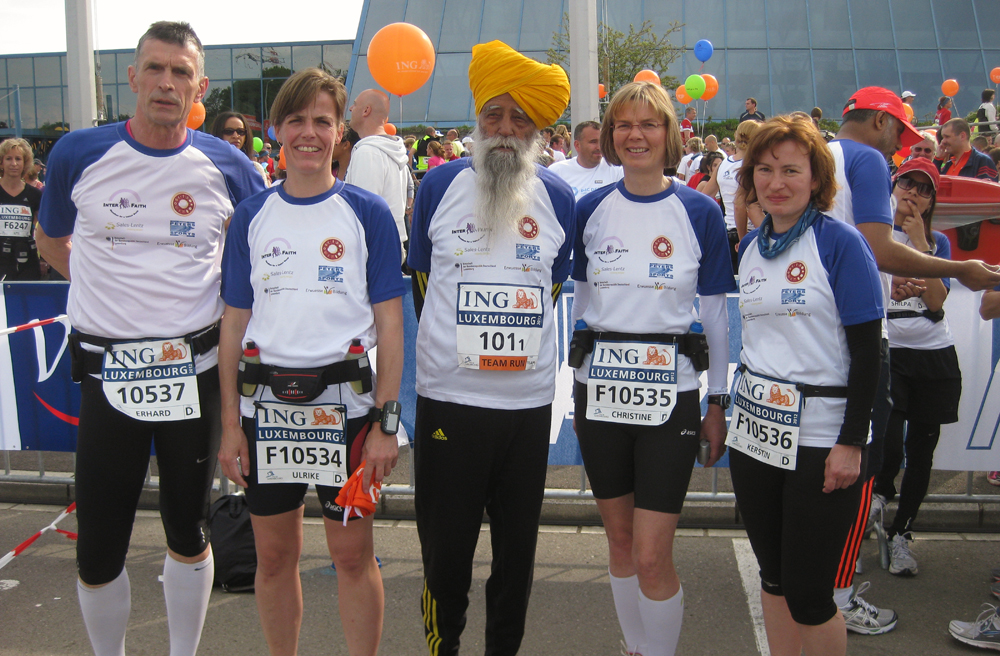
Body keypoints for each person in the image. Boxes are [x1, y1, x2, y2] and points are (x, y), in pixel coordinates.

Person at [34, 21, 265, 656]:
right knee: (99, 544)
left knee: (188, 532)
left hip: (192, 377)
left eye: (181, 72)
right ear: (132, 78)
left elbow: (257, 261)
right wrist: (107, 293)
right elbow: (51, 240)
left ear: (200, 87)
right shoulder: (77, 153)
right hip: (111, 377)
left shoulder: (229, 165)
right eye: (155, 69)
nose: (167, 82)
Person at [217, 67, 405, 656]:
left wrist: (386, 424)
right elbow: (232, 326)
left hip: (347, 412)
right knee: (274, 557)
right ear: (276, 130)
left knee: (352, 557)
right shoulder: (251, 215)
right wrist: (229, 426)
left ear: (339, 130)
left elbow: (391, 327)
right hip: (266, 409)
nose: (308, 133)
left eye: (321, 121)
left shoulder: (366, 213)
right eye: (295, 120)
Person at [407, 39, 574, 656]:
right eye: (493, 116)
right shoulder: (438, 186)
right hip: (450, 403)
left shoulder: (559, 199)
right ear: (477, 120)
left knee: (517, 556)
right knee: (443, 553)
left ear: (537, 130)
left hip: (526, 408)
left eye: (519, 118)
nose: (505, 130)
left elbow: (552, 287)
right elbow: (424, 288)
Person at [828, 86, 1000, 635]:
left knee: (830, 468)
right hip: (857, 340)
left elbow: (856, 253)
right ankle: (840, 592)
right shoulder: (865, 160)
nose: (897, 149)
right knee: (860, 468)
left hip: (810, 334)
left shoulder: (813, 157)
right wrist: (959, 269)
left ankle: (808, 583)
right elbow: (877, 247)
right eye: (897, 135)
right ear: (879, 121)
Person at [572, 81, 735, 656]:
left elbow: (715, 319)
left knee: (650, 553)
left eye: (649, 124)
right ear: (611, 136)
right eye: (623, 125)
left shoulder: (698, 210)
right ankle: (636, 647)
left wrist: (718, 401)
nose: (635, 135)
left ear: (669, 134)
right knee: (618, 540)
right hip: (600, 393)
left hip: (674, 396)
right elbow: (584, 305)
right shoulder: (589, 208)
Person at [728, 115, 884, 656]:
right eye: (765, 170)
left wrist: (852, 442)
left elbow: (870, 353)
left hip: (821, 440)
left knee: (811, 593)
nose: (776, 182)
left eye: (791, 170)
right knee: (772, 578)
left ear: (816, 179)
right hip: (755, 436)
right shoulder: (750, 248)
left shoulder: (840, 243)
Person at [871, 158, 961, 577]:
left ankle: (903, 534)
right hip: (889, 354)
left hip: (933, 355)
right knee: (887, 445)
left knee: (921, 450)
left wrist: (920, 243)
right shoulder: (871, 233)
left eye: (925, 189)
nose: (914, 192)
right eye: (908, 182)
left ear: (932, 201)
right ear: (893, 184)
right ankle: (875, 505)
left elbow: (937, 302)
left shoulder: (936, 241)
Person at [346, 88, 410, 262]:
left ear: (366, 110)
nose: (351, 109)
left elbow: (364, 211)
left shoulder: (368, 152)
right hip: (390, 245)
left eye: (355, 104)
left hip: (374, 250)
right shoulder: (394, 152)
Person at [697, 120, 763, 272]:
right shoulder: (753, 165)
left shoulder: (723, 164)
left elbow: (704, 197)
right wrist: (744, 238)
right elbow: (744, 206)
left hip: (729, 232)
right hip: (750, 232)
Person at [548, 120, 624, 200]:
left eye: (601, 141)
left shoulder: (617, 171)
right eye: (593, 142)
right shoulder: (557, 171)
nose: (599, 147)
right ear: (577, 145)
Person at [0, 138, 43, 281]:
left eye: (18, 159)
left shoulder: (35, 194)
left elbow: (44, 229)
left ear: (25, 163)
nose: (14, 164)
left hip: (27, 261)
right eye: (8, 159)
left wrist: (45, 258)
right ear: (1, 162)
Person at [211, 111, 270, 186]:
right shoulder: (209, 168)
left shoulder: (255, 169)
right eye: (229, 131)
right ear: (218, 133)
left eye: (240, 131)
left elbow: (263, 196)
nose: (236, 136)